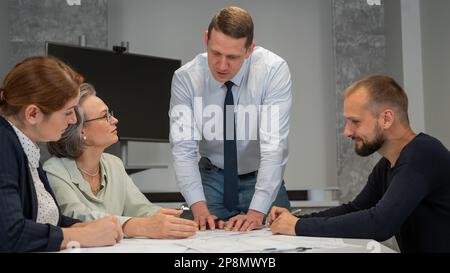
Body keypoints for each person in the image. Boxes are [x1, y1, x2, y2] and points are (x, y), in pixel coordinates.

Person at [268, 75, 450, 252]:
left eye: (355, 121)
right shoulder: (388, 165)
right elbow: (356, 209)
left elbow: (380, 224)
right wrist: (294, 220)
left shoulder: (423, 155)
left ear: (386, 119)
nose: (347, 131)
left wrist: (298, 226)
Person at [170, 6, 292, 232]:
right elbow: (183, 149)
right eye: (215, 53)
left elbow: (274, 147)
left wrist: (256, 213)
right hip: (212, 177)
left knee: (283, 240)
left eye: (233, 57)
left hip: (260, 177)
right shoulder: (186, 78)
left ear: (249, 50)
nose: (222, 65)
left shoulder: (273, 70)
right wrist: (199, 209)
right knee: (202, 241)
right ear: (206, 39)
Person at [0, 56, 123, 252]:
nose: (74, 119)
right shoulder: (4, 145)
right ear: (32, 114)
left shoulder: (25, 146)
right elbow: (9, 234)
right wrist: (83, 235)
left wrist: (81, 226)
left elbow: (48, 220)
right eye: (68, 112)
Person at [44, 83, 198, 239]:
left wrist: (177, 218)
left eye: (110, 114)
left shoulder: (114, 164)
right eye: (105, 116)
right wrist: (139, 226)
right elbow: (75, 217)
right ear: (81, 129)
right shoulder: (54, 170)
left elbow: (140, 208)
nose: (115, 120)